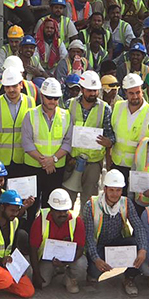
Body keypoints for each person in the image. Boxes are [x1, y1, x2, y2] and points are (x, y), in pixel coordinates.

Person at [82, 169, 149, 295]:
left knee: (140, 249)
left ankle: (129, 277)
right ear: (105, 189)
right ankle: (92, 272)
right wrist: (96, 259)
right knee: (94, 271)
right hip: (99, 245)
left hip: (118, 242)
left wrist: (142, 249)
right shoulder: (91, 205)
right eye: (111, 190)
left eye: (118, 190)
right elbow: (89, 236)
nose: (115, 194)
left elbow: (139, 227)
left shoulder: (126, 202)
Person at [64, 71, 113, 209]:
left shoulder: (105, 108)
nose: (93, 93)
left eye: (95, 91)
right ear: (82, 89)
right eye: (89, 90)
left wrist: (108, 142)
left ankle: (85, 223)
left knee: (89, 203)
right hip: (72, 160)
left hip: (93, 164)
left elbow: (111, 136)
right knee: (67, 200)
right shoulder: (69, 105)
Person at [21, 78, 71, 211]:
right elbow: (26, 142)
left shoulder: (66, 115)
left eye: (55, 98)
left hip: (55, 169)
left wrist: (53, 160)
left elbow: (68, 142)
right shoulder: (30, 115)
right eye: (49, 97)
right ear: (42, 96)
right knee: (31, 207)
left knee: (51, 208)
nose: (52, 101)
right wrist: (45, 161)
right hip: (33, 168)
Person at [29, 188, 86, 293]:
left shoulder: (77, 221)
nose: (63, 214)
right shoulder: (40, 220)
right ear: (51, 210)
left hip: (70, 259)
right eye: (59, 211)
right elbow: (33, 249)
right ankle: (55, 271)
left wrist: (64, 263)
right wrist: (36, 274)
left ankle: (69, 278)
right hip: (47, 259)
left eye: (65, 210)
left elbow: (80, 249)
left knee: (81, 264)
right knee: (43, 283)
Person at [110, 73, 149, 183]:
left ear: (142, 91)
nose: (135, 96)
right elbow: (111, 134)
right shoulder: (118, 106)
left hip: (138, 167)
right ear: (125, 92)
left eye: (138, 92)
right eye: (131, 93)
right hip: (116, 163)